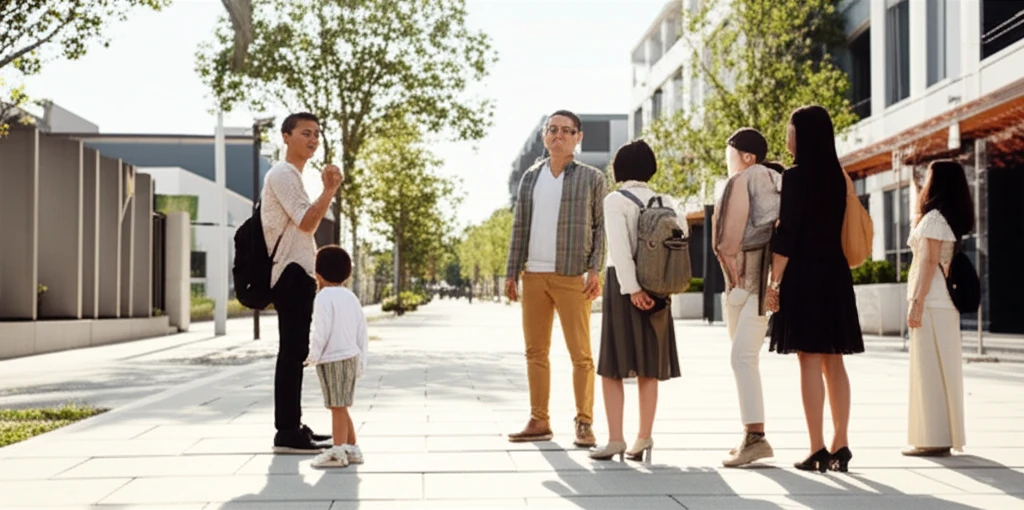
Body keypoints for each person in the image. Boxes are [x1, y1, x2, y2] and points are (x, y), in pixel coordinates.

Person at [765, 105, 864, 473]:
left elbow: (787, 235)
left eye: (790, 128)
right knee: (833, 361)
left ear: (802, 134)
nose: (787, 135)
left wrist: (773, 282)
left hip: (804, 275)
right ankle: (842, 443)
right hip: (835, 275)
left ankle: (816, 447)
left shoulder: (796, 177)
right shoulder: (838, 177)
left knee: (808, 358)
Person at [505, 110, 606, 447]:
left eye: (566, 131)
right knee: (535, 352)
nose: (558, 136)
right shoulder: (530, 178)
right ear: (544, 136)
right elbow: (519, 226)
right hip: (533, 275)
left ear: (578, 137)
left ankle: (584, 422)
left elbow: (599, 227)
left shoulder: (592, 178)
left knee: (581, 354)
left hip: (571, 275)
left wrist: (595, 268)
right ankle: (539, 419)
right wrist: (511, 271)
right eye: (552, 130)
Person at [589, 139, 682, 463]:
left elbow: (618, 247)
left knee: (613, 367)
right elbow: (679, 239)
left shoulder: (615, 200)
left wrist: (632, 290)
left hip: (623, 286)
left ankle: (616, 439)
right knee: (649, 367)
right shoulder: (666, 199)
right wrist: (656, 289)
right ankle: (644, 438)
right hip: (659, 287)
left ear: (619, 168)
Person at [262, 112, 344, 453]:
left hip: (298, 273)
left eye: (317, 134)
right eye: (305, 133)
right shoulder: (282, 174)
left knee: (295, 352)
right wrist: (330, 190)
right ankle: (286, 432)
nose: (313, 139)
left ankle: (292, 426)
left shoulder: (293, 176)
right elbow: (308, 223)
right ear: (286, 136)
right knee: (292, 353)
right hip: (289, 274)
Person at [713, 128, 782, 467]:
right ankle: (750, 433)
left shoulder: (758, 176)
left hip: (755, 286)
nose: (726, 159)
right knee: (742, 359)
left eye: (730, 152)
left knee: (742, 357)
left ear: (747, 156)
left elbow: (768, 227)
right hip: (743, 286)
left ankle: (756, 437)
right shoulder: (748, 179)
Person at [904, 160, 974, 457]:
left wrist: (916, 303)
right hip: (944, 304)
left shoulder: (933, 219)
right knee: (945, 369)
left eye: (929, 176)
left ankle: (933, 438)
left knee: (928, 370)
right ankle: (944, 435)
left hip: (932, 301)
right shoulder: (946, 219)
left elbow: (928, 264)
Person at [306, 246, 370, 468]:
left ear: (318, 273)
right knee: (341, 405)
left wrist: (312, 355)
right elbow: (362, 331)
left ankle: (338, 452)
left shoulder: (323, 297)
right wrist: (362, 361)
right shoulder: (351, 297)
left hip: (332, 359)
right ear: (348, 273)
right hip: (351, 357)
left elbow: (320, 331)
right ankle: (352, 448)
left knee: (337, 406)